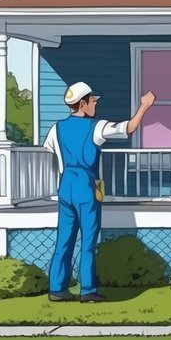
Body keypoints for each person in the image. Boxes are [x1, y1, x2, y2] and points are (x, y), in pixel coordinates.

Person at [44, 82, 155, 303]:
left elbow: (49, 152)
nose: (95, 104)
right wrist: (144, 107)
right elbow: (128, 128)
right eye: (93, 101)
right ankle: (87, 290)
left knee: (64, 239)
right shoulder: (96, 127)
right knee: (87, 240)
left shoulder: (56, 128)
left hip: (66, 185)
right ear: (83, 104)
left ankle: (57, 288)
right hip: (86, 185)